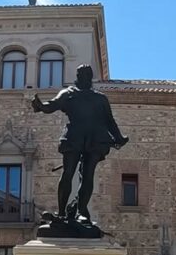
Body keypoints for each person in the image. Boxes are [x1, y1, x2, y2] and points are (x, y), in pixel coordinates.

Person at [31, 64, 128, 226]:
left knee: (87, 175)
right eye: (80, 75)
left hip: (95, 139)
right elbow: (52, 105)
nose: (83, 78)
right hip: (74, 138)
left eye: (85, 75)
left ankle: (82, 211)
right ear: (77, 77)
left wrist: (119, 137)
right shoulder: (68, 94)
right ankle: (62, 212)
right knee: (68, 173)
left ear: (89, 78)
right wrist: (40, 106)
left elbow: (110, 121)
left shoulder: (100, 98)